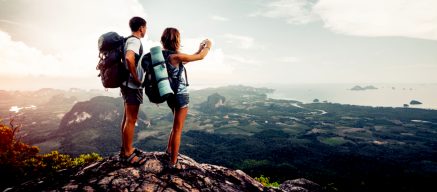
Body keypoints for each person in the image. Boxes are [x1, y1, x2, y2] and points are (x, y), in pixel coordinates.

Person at [160, 27, 212, 168]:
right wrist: (208, 45)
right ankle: (173, 162)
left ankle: (169, 151)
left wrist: (198, 49)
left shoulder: (162, 56)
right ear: (176, 40)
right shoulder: (176, 56)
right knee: (178, 128)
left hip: (169, 94)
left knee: (175, 124)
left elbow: (189, 59)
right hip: (180, 95)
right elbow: (201, 57)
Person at [119, 16, 147, 165]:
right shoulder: (135, 41)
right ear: (141, 27)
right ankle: (128, 154)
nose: (145, 30)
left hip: (125, 84)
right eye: (145, 28)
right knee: (131, 119)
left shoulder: (128, 40)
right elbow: (130, 58)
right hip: (132, 86)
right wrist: (136, 78)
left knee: (126, 118)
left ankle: (125, 149)